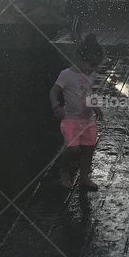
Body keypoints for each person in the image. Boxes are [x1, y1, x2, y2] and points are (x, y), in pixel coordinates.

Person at [50, 34, 104, 191]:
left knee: (88, 149)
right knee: (73, 148)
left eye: (95, 67)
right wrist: (56, 106)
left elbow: (88, 93)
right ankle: (64, 171)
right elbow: (53, 92)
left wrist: (96, 107)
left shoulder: (90, 75)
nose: (92, 70)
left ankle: (84, 177)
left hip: (88, 120)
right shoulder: (66, 75)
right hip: (70, 119)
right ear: (79, 59)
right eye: (90, 66)